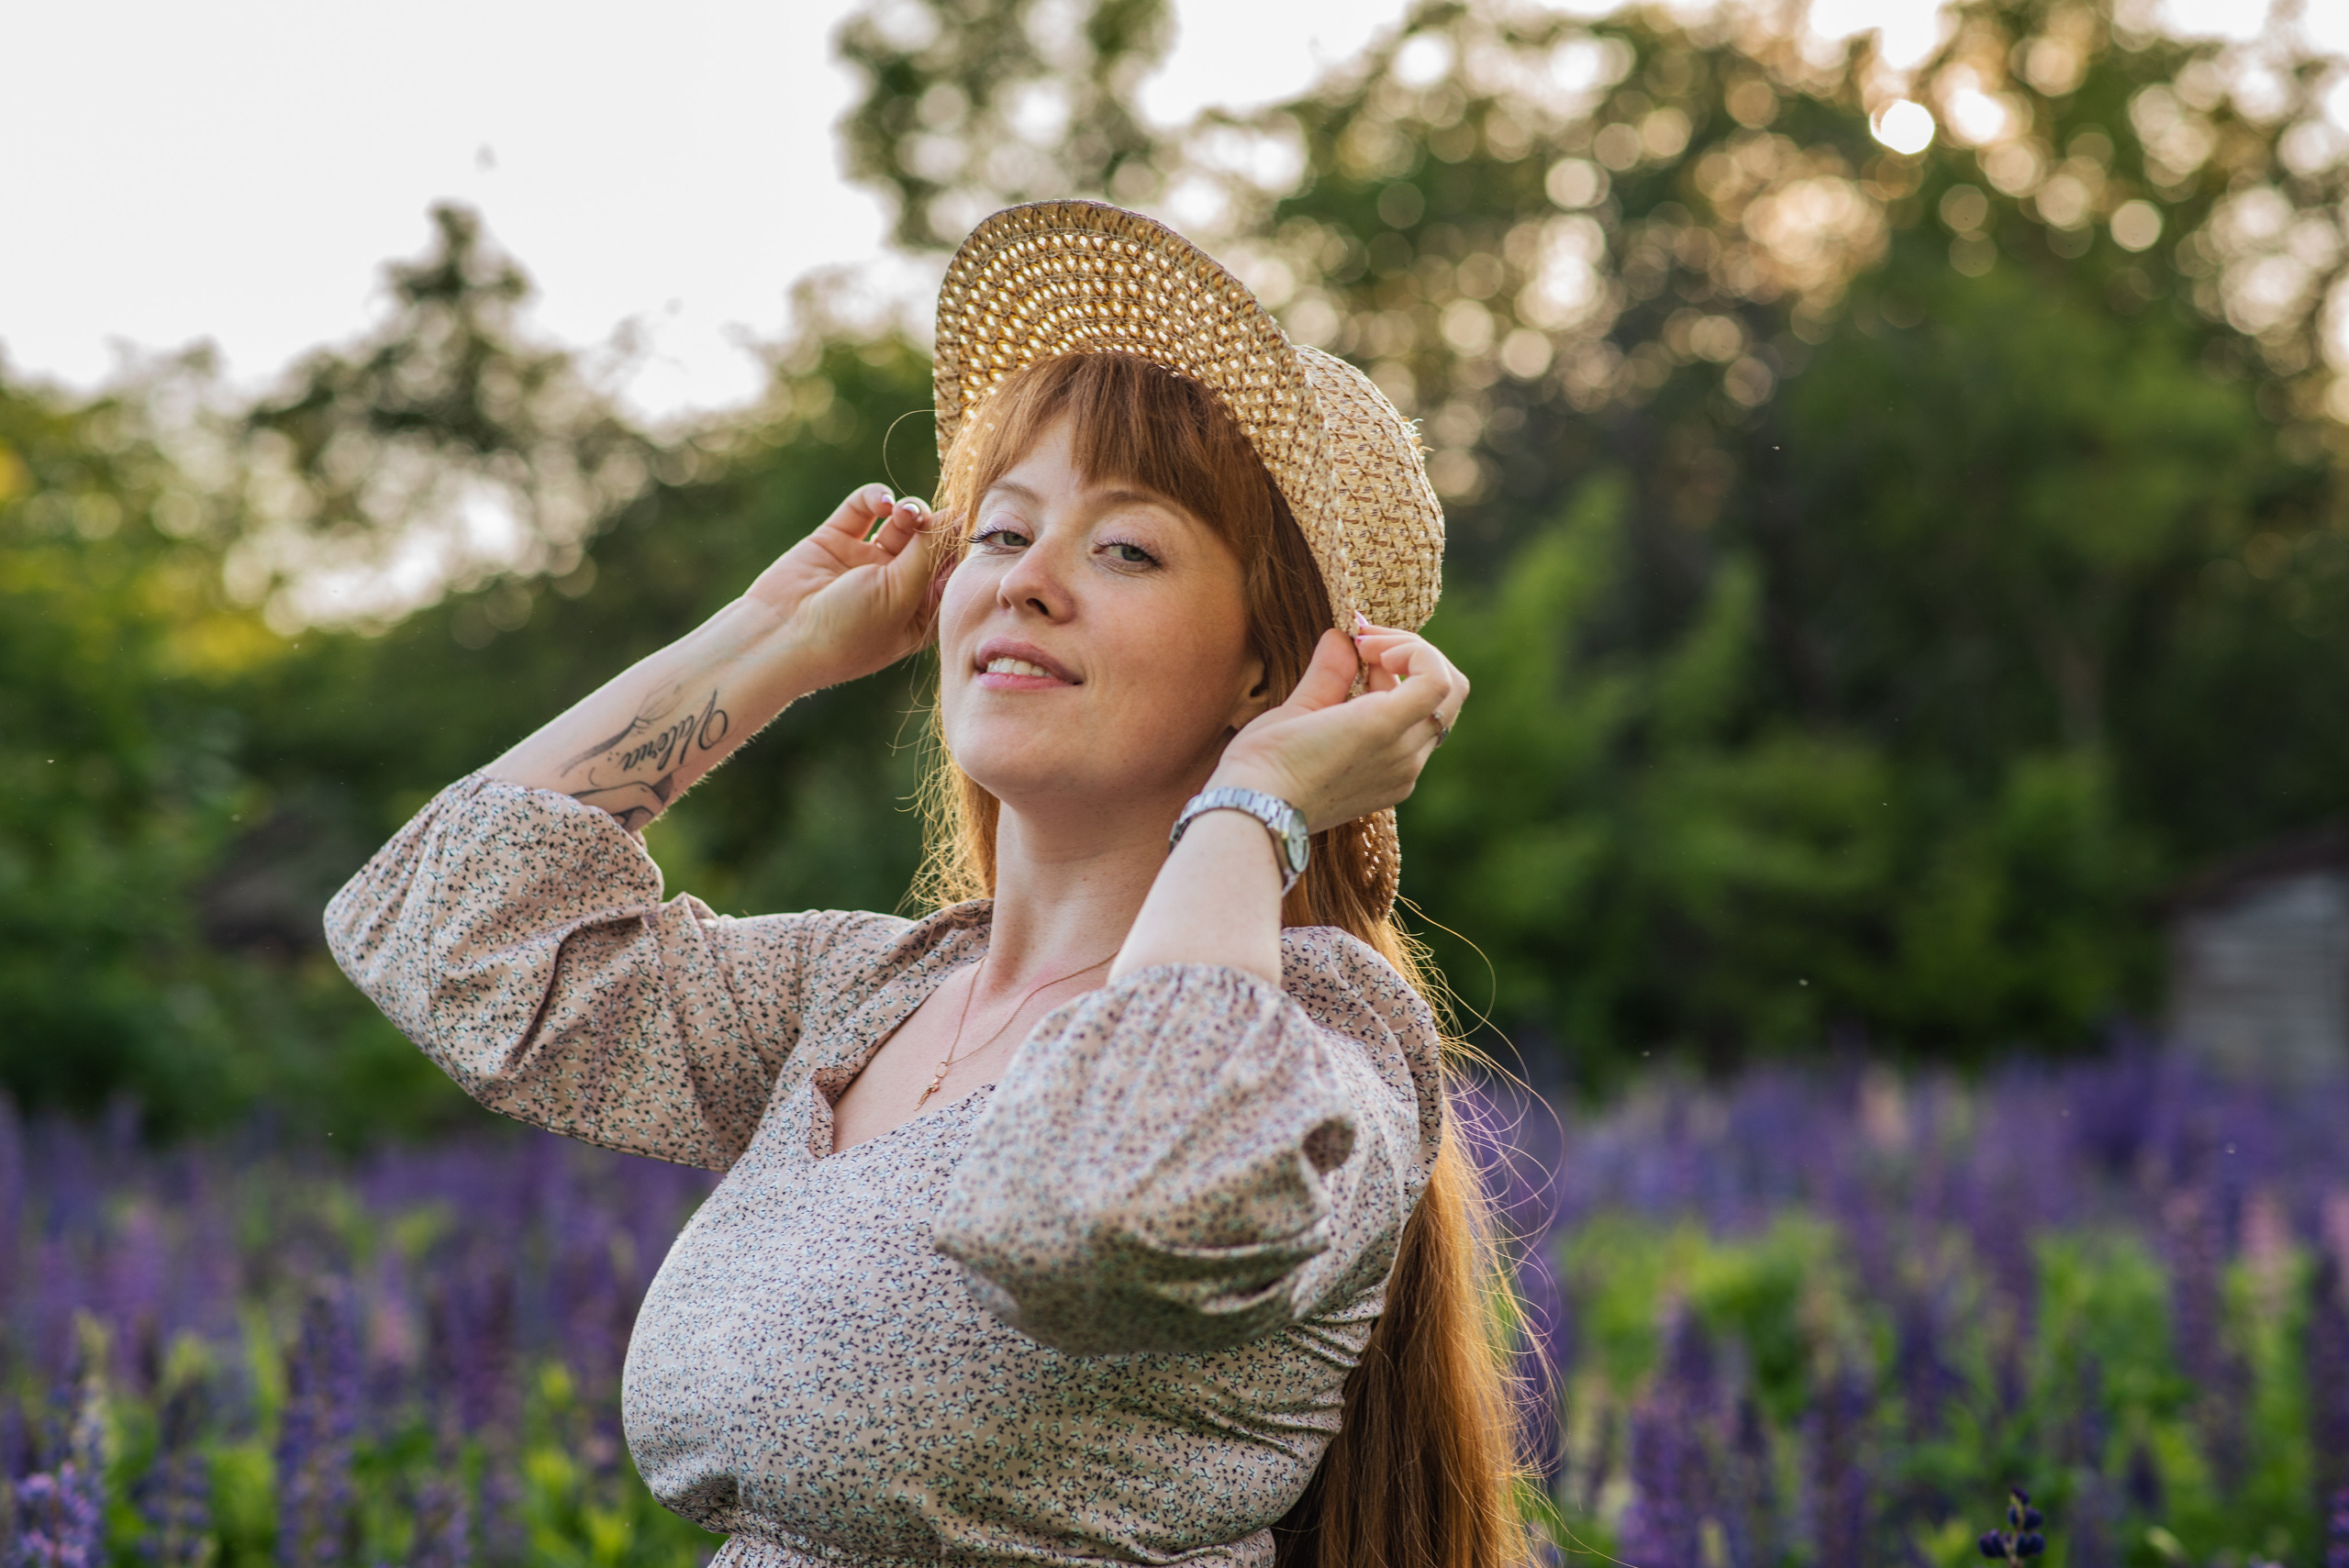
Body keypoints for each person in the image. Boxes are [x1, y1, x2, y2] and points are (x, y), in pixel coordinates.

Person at [327, 201, 1519, 1568]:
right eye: (1002, 534)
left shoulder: (1314, 1037)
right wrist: (770, 640)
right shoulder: (862, 996)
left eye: (1127, 547)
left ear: (1270, 670)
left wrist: (1262, 801)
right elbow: (457, 934)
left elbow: (1123, 1194)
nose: (1029, 583)